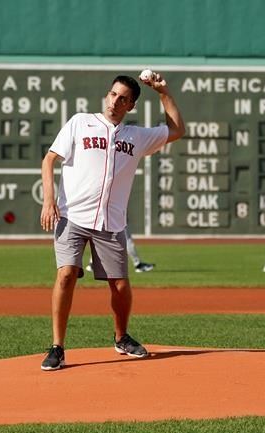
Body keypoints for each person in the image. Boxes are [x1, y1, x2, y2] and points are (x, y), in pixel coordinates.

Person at [39, 72, 185, 370]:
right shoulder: (81, 122)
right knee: (66, 274)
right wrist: (48, 199)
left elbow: (177, 129)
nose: (114, 101)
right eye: (112, 94)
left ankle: (121, 337)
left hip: (111, 222)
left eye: (123, 99)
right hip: (72, 216)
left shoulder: (137, 137)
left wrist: (163, 91)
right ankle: (57, 347)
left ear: (130, 106)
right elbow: (49, 159)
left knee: (119, 285)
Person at [86, 226, 154, 273]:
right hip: (115, 217)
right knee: (127, 240)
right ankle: (138, 265)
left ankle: (92, 264)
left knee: (101, 240)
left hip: (105, 217)